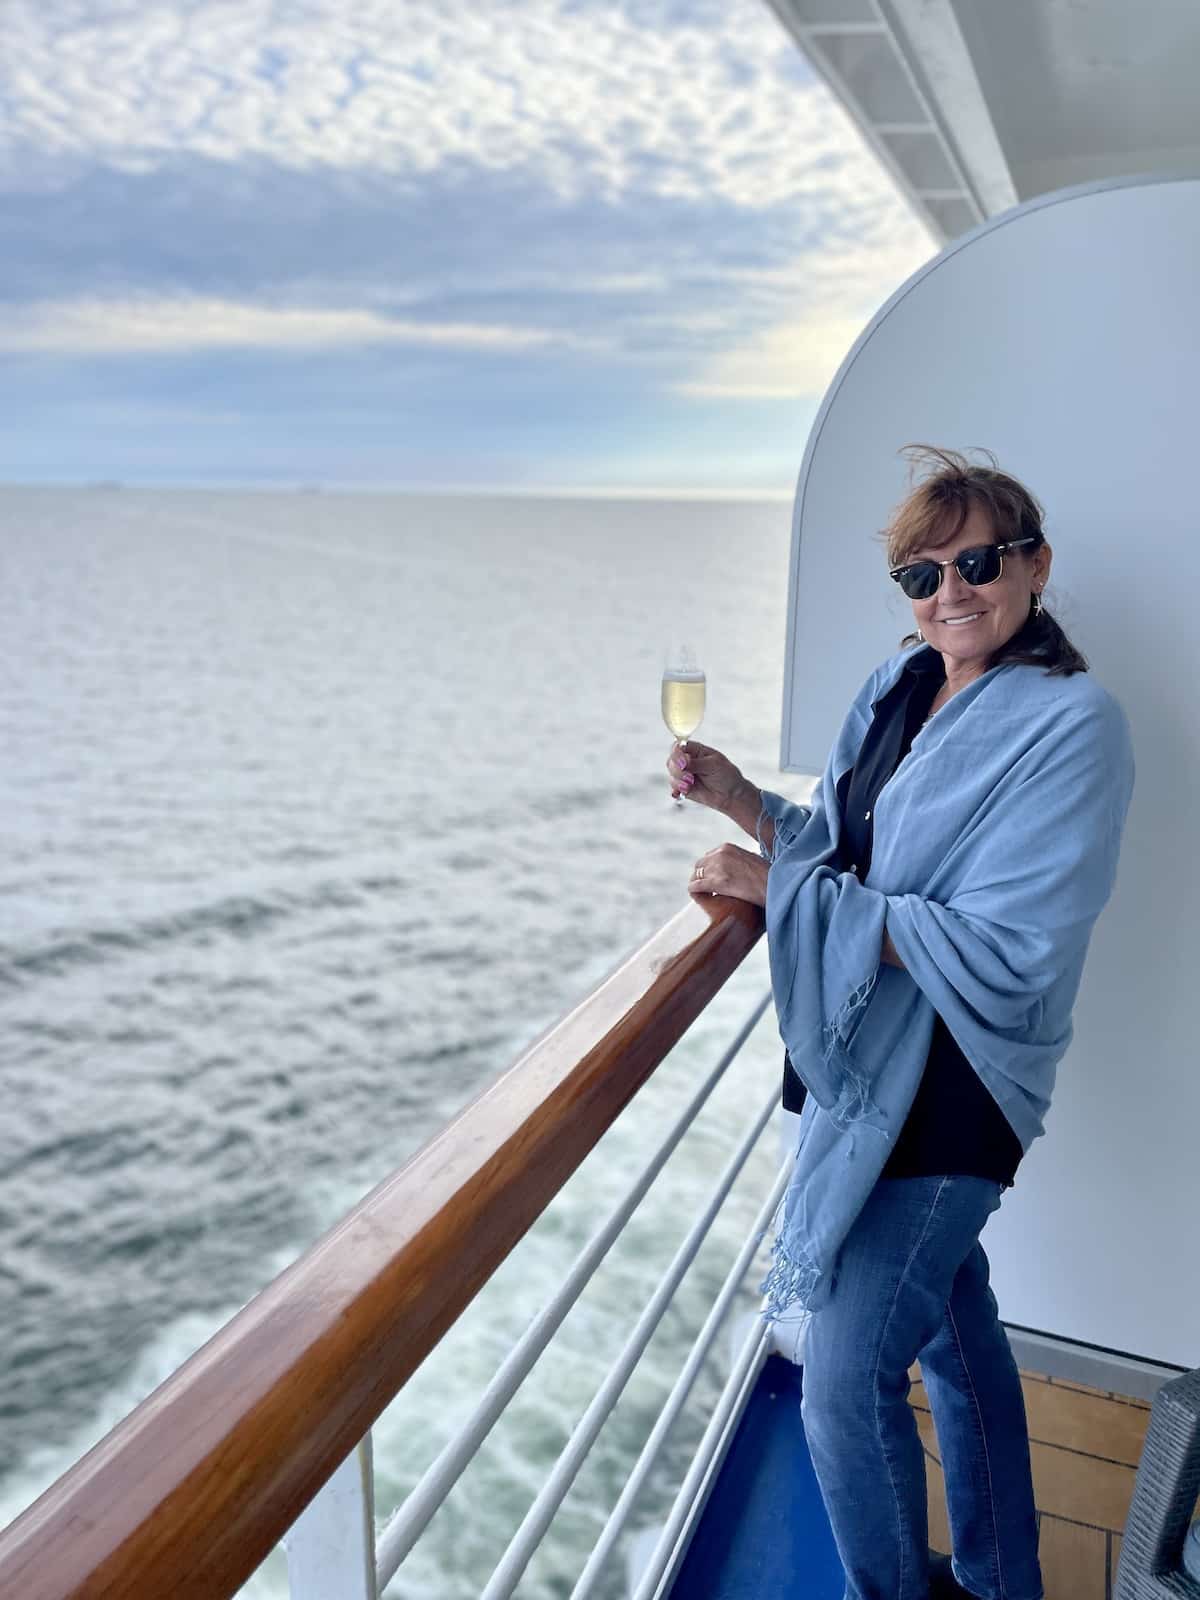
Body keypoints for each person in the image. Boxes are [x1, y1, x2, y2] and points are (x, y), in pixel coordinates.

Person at [663, 446, 1135, 1600]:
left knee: (840, 1383)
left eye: (975, 561)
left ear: (1034, 566)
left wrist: (779, 893)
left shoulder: (1074, 727)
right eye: (921, 576)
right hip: (865, 1061)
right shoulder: (898, 690)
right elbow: (843, 857)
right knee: (955, 1338)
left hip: (959, 1080)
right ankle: (999, 1578)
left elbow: (1004, 947)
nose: (950, 593)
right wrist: (741, 801)